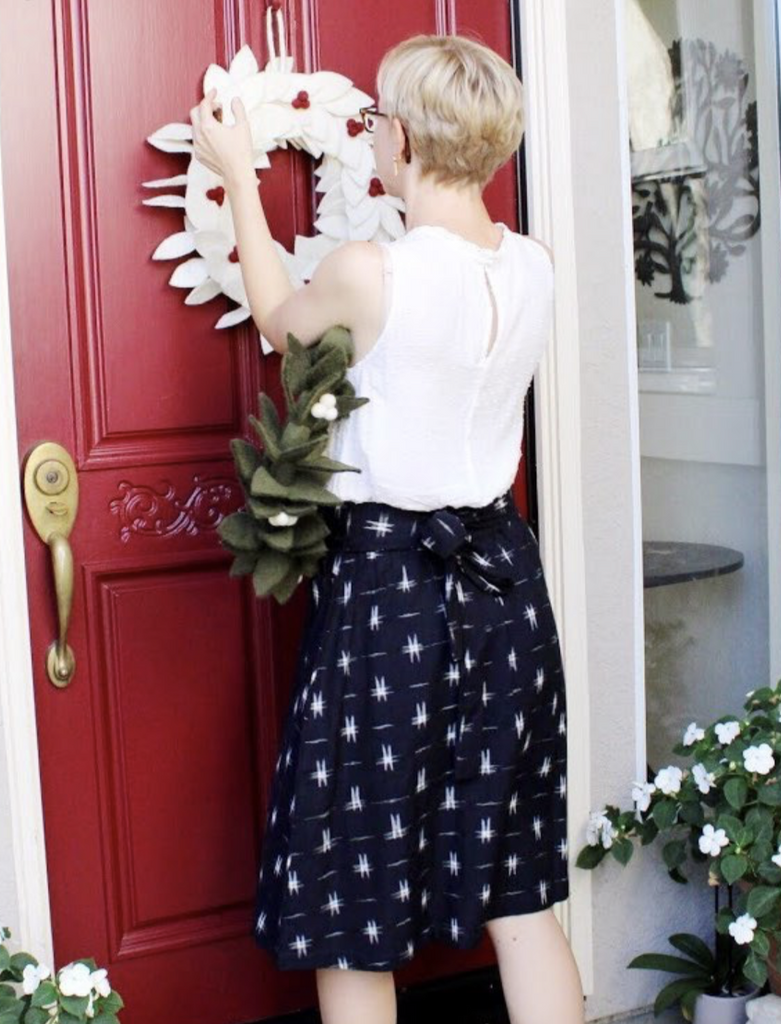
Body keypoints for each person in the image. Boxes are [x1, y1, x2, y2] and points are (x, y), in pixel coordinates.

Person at [191, 32, 584, 1024]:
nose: (369, 135)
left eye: (375, 120)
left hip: (390, 586)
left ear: (402, 138)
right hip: (504, 582)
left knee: (350, 890)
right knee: (517, 887)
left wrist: (237, 175)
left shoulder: (373, 272)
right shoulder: (534, 266)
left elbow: (277, 319)